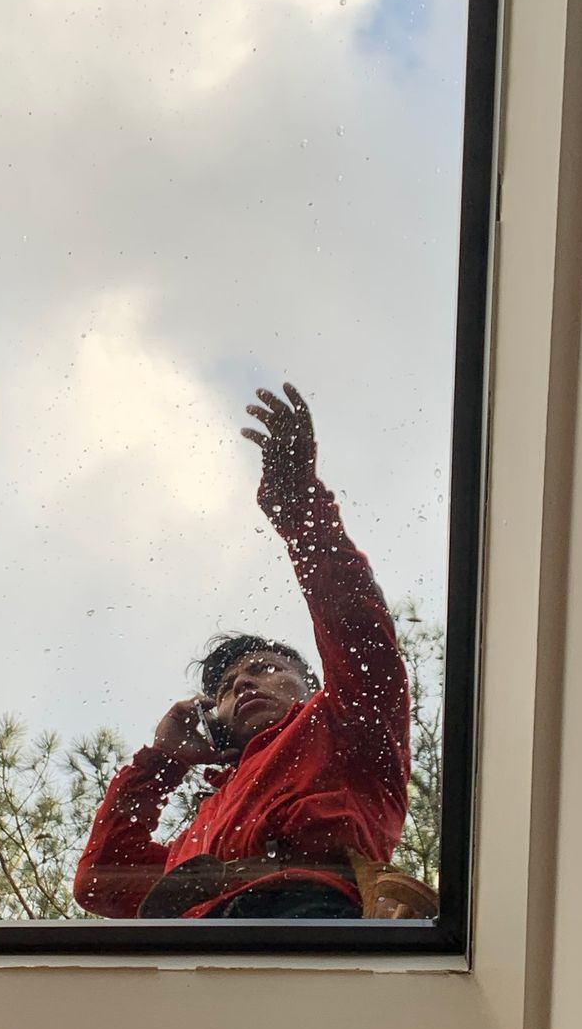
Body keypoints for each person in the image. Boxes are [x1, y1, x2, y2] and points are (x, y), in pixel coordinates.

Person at [73, 383, 410, 919]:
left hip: (308, 924)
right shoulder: (206, 825)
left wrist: (297, 502)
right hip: (187, 965)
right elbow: (100, 882)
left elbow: (358, 630)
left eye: (266, 669)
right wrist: (161, 763)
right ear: (214, 718)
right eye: (227, 688)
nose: (244, 685)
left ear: (313, 688)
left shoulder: (348, 727)